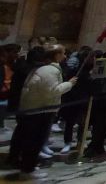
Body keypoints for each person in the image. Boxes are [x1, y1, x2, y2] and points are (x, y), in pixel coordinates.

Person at [14, 45, 76, 179]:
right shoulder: (49, 71)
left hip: (38, 109)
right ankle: (27, 170)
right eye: (63, 53)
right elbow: (52, 91)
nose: (65, 56)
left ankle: (29, 167)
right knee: (34, 142)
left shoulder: (45, 69)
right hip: (40, 111)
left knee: (35, 141)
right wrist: (69, 84)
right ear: (57, 55)